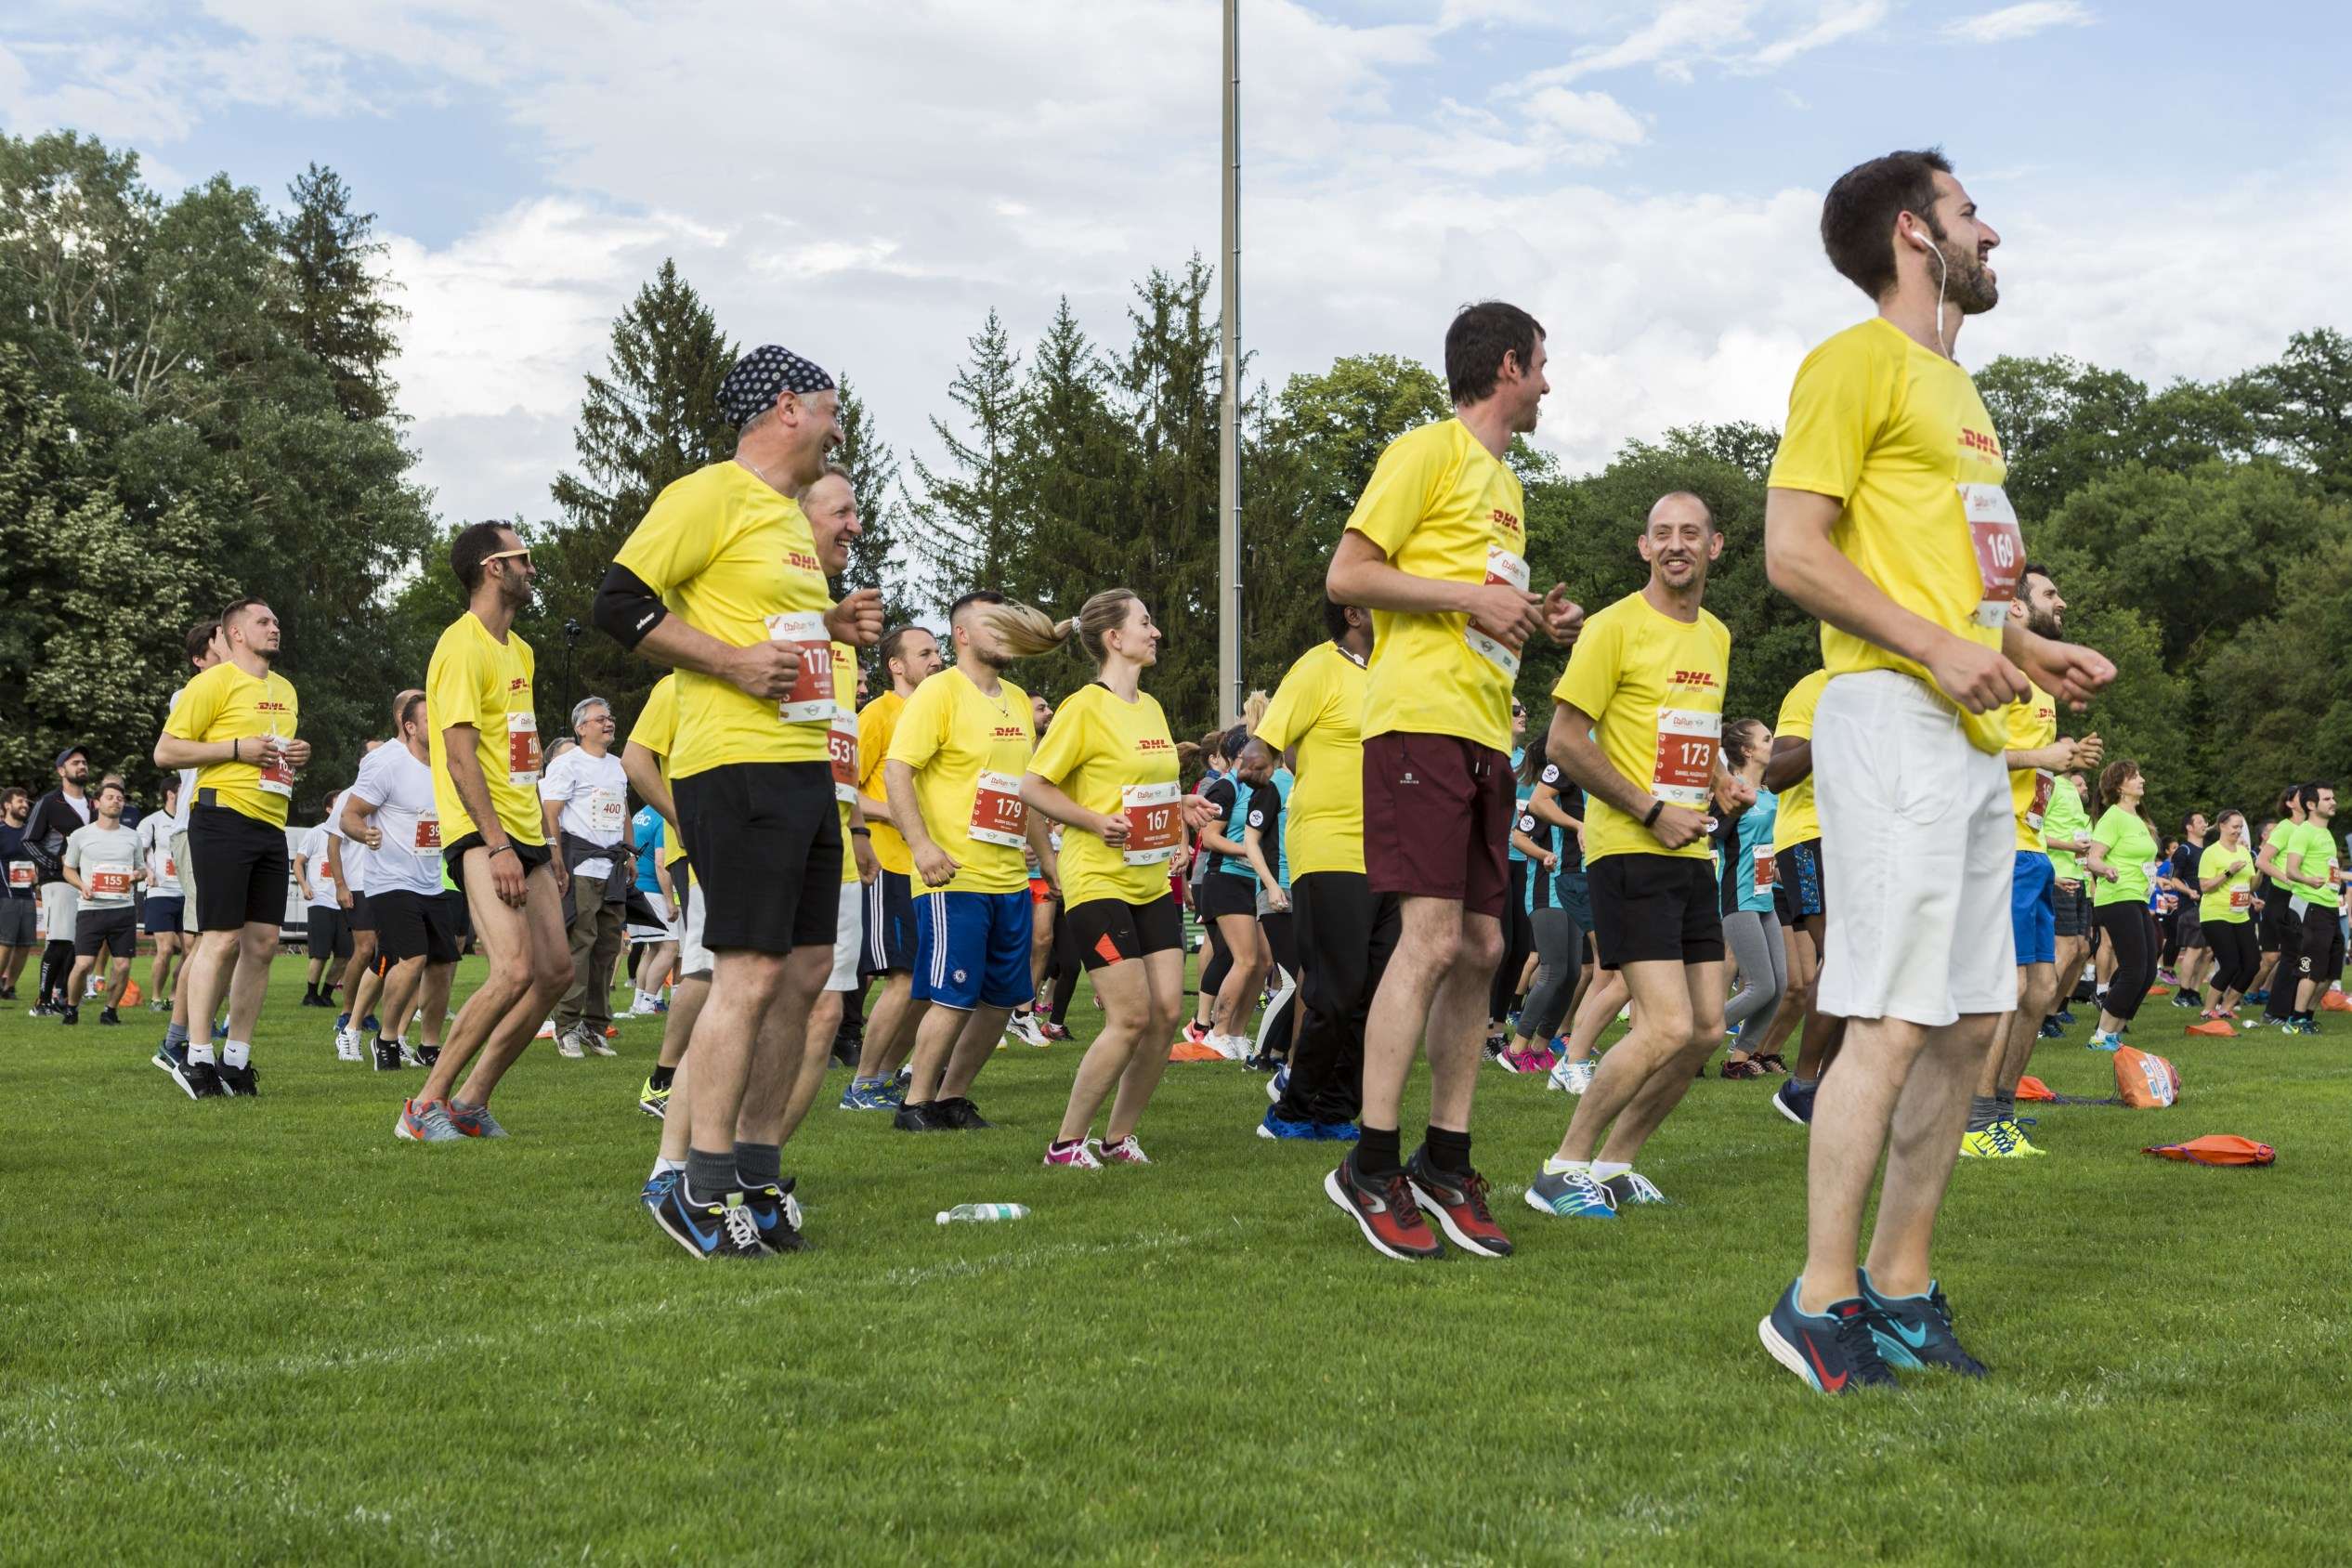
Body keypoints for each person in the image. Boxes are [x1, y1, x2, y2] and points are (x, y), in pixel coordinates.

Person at [1758, 149, 2112, 1392]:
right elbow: (1793, 551)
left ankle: (1900, 1283)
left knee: (1970, 1020)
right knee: (1894, 1014)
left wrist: (2027, 647)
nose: (1991, 232)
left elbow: (1960, 581)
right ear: (1915, 231)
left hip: (1965, 726)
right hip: (1890, 714)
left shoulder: (1957, 389)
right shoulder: (1851, 361)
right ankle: (1818, 1299)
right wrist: (1933, 647)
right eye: (1970, 212)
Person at [595, 344, 883, 1258]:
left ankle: (755, 1174)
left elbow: (764, 624)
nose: (840, 429)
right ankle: (699, 1182)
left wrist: (829, 624)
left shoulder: (788, 520)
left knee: (805, 975)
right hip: (734, 764)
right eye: (832, 410)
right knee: (749, 972)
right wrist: (728, 663)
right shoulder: (708, 493)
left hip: (803, 767)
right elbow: (618, 602)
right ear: (788, 407)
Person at [1320, 300, 1583, 1261]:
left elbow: (1478, 606)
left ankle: (1446, 1157)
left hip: (1480, 732)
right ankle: (1370, 1162)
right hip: (1418, 722)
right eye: (1542, 364)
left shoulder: (1507, 483)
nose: (1549, 382)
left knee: (1482, 943)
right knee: (1431, 938)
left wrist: (1531, 616)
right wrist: (1472, 597)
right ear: (1508, 364)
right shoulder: (1425, 449)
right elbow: (1350, 575)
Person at [1526, 492, 1742, 1222]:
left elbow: (1692, 728)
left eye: (1691, 533)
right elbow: (1565, 742)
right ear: (1644, 547)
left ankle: (1616, 1164)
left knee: (1706, 1029)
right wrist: (1651, 810)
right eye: (1662, 534)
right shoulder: (1612, 628)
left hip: (1691, 853)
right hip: (1628, 848)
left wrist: (1719, 781)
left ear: (1715, 546)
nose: (1676, 544)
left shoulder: (1716, 635)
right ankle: (1562, 1167)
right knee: (1666, 1026)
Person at [1021, 590, 1217, 1167]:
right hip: (1097, 881)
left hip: (1151, 882)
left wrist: (1179, 803)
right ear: (1114, 638)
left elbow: (1138, 787)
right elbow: (1033, 786)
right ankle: (1065, 1144)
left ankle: (1117, 1139)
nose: (1156, 633)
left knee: (1166, 1015)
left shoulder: (1151, 707)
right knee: (1129, 1016)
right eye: (1145, 623)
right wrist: (1090, 820)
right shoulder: (1083, 707)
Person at [397, 522, 574, 1141]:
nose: (532, 567)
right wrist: (497, 844)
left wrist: (546, 844)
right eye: (523, 556)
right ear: (493, 567)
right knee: (513, 971)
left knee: (556, 973)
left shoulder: (520, 650)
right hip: (481, 832)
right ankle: (423, 1106)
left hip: (525, 832)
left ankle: (471, 1101)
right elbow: (459, 756)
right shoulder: (460, 646)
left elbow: (522, 755)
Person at [882, 591, 1046, 1132]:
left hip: (1010, 878)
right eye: (992, 625)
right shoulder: (939, 692)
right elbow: (897, 771)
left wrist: (1047, 861)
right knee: (954, 996)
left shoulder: (1017, 699)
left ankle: (953, 1097)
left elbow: (1027, 790)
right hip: (953, 875)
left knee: (1002, 1000)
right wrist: (922, 847)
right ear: (962, 635)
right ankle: (915, 1104)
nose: (1005, 633)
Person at [1964, 564, 2097, 1157]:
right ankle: (1974, 1121)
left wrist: (2063, 758)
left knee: (2041, 989)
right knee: (2009, 984)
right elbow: (1969, 755)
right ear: (2015, 607)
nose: (2061, 601)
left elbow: (2033, 763)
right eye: (2050, 593)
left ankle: (2001, 1109)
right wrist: (2045, 756)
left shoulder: (2040, 682)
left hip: (2033, 850)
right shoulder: (1996, 670)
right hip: (1998, 846)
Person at [154, 598, 310, 1099]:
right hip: (220, 816)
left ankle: (236, 1060)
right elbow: (166, 751)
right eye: (264, 621)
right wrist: (235, 749)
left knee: (263, 944)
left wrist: (298, 754)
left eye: (276, 620)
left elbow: (274, 754)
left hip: (271, 822)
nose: (275, 627)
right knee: (219, 939)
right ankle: (196, 1056)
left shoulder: (285, 690)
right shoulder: (210, 683)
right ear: (235, 633)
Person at [842, 625, 945, 1109]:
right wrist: (896, 814)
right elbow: (842, 786)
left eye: (938, 651)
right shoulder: (878, 715)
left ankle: (885, 1075)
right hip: (891, 864)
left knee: (926, 985)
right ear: (896, 666)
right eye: (925, 653)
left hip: (936, 866)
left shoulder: (939, 711)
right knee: (903, 979)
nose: (937, 659)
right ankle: (862, 1084)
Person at [344, 689, 463, 1071]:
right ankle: (386, 1038)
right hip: (390, 880)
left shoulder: (446, 764)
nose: (439, 727)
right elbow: (349, 815)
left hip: (431, 880)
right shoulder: (386, 763)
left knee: (442, 964)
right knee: (412, 958)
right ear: (409, 727)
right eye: (430, 721)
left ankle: (429, 1046)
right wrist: (365, 833)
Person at [152, 619, 229, 1075]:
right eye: (221, 642)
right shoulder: (190, 694)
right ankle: (176, 1041)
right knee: (205, 938)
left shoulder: (242, 690)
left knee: (227, 941)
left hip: (230, 826)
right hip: (197, 826)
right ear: (200, 658)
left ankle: (193, 1033)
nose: (232, 645)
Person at [541, 695, 632, 1058]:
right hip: (581, 866)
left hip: (613, 867)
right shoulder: (567, 764)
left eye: (610, 717)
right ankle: (566, 1026)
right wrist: (556, 859)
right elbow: (550, 813)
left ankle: (596, 1026)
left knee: (608, 947)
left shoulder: (618, 766)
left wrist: (630, 853)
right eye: (600, 719)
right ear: (580, 728)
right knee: (580, 945)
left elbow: (623, 810)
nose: (608, 723)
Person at [1191, 722, 1271, 1063]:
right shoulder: (1226, 787)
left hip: (1252, 881)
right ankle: (1217, 1032)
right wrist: (1249, 852)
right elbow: (1209, 838)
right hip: (1225, 879)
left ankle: (1236, 1035)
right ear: (1242, 753)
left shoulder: (1259, 786)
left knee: (1263, 962)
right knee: (1245, 959)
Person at [1500, 746, 1580, 1075]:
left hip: (1572, 891)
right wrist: (1544, 855)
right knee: (1553, 971)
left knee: (1572, 974)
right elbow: (1518, 837)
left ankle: (1539, 1047)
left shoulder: (1575, 800)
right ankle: (1515, 1050)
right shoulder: (1545, 804)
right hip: (1546, 892)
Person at [1718, 719, 1785, 1078]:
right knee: (1761, 987)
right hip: (1739, 897)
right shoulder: (1731, 792)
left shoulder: (1771, 794)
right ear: (1747, 750)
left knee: (1780, 985)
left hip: (1765, 898)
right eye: (1767, 738)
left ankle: (1737, 1061)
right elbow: (1711, 834)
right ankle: (1695, 1036)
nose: (1773, 743)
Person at [2084, 760, 2162, 1051]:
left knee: (2148, 972)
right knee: (2133, 970)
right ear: (2119, 786)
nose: (2142, 780)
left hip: (2137, 898)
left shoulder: (2138, 819)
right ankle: (2100, 1036)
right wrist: (2106, 870)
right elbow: (2093, 858)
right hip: (2117, 897)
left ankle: (2112, 1033)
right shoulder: (2113, 817)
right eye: (2135, 776)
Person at [1236, 734, 1299, 1068]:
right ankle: (1258, 1055)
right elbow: (1251, 841)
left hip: (1304, 889)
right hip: (1278, 894)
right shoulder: (1272, 786)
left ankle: (1279, 1053)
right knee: (1292, 981)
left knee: (1305, 982)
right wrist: (1272, 887)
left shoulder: (1303, 783)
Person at [60, 779, 142, 1025]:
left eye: (120, 799)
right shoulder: (81, 835)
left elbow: (141, 868)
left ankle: (110, 1011)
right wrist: (82, 886)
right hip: (91, 910)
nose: (116, 801)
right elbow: (68, 869)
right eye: (110, 797)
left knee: (123, 966)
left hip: (123, 909)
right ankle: (71, 1008)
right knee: (83, 964)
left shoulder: (133, 836)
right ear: (97, 803)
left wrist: (138, 875)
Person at [22, 746, 94, 1015]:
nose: (82, 766)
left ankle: (63, 997)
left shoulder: (94, 805)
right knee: (60, 940)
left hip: (87, 882)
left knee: (78, 943)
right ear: (61, 771)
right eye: (75, 763)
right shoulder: (49, 802)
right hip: (57, 880)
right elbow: (28, 840)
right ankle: (41, 1002)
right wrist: (56, 863)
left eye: (84, 762)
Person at [2279, 782, 2345, 1032]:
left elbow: (2331, 873)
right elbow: (2291, 870)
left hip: (2330, 907)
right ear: (2310, 804)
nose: (2333, 802)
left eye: (2333, 797)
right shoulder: (2303, 832)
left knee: (2331, 971)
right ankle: (2294, 1020)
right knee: (2312, 967)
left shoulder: (2326, 833)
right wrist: (2308, 880)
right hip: (2311, 906)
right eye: (2327, 799)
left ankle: (2306, 1017)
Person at [2189, 811, 2259, 1035]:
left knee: (2252, 964)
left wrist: (2261, 870)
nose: (2238, 831)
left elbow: (2251, 885)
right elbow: (2205, 886)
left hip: (2241, 914)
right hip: (2216, 914)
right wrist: (2229, 872)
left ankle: (2226, 1008)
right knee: (2230, 964)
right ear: (2222, 826)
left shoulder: (2244, 852)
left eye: (2240, 827)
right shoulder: (2211, 853)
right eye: (2234, 826)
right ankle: (2208, 1011)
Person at [2043, 770, 2096, 1036]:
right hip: (2057, 876)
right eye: (2079, 783)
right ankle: (2038, 1016)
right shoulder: (2050, 786)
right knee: (2066, 949)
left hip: (2078, 879)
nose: (2082, 787)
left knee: (2080, 950)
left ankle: (2054, 1011)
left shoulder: (2079, 810)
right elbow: (2035, 832)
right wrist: (2070, 847)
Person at [625, 798, 677, 1018]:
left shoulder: (642, 813)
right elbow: (660, 862)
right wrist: (670, 900)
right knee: (671, 948)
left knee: (653, 949)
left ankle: (639, 1003)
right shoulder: (662, 817)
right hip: (653, 890)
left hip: (636, 888)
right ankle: (648, 1002)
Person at [295, 811, 352, 1011]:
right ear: (329, 809)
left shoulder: (351, 833)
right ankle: (311, 995)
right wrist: (304, 886)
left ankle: (326, 994)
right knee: (320, 954)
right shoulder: (316, 833)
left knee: (345, 954)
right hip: (320, 901)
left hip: (345, 902)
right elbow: (298, 862)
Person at [138, 780, 187, 1009]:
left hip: (186, 893)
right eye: (183, 790)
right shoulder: (152, 822)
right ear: (171, 794)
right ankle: (156, 998)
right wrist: (147, 872)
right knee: (166, 948)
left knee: (191, 951)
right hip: (160, 892)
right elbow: (137, 853)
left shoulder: (190, 820)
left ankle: (175, 995)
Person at [0, 786, 36, 1001]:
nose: (25, 805)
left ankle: (9, 987)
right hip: (5, 897)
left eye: (26, 801)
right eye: (20, 801)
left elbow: (37, 860)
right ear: (7, 805)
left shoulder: (32, 833)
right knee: (5, 943)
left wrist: (36, 875)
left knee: (24, 945)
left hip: (28, 897)